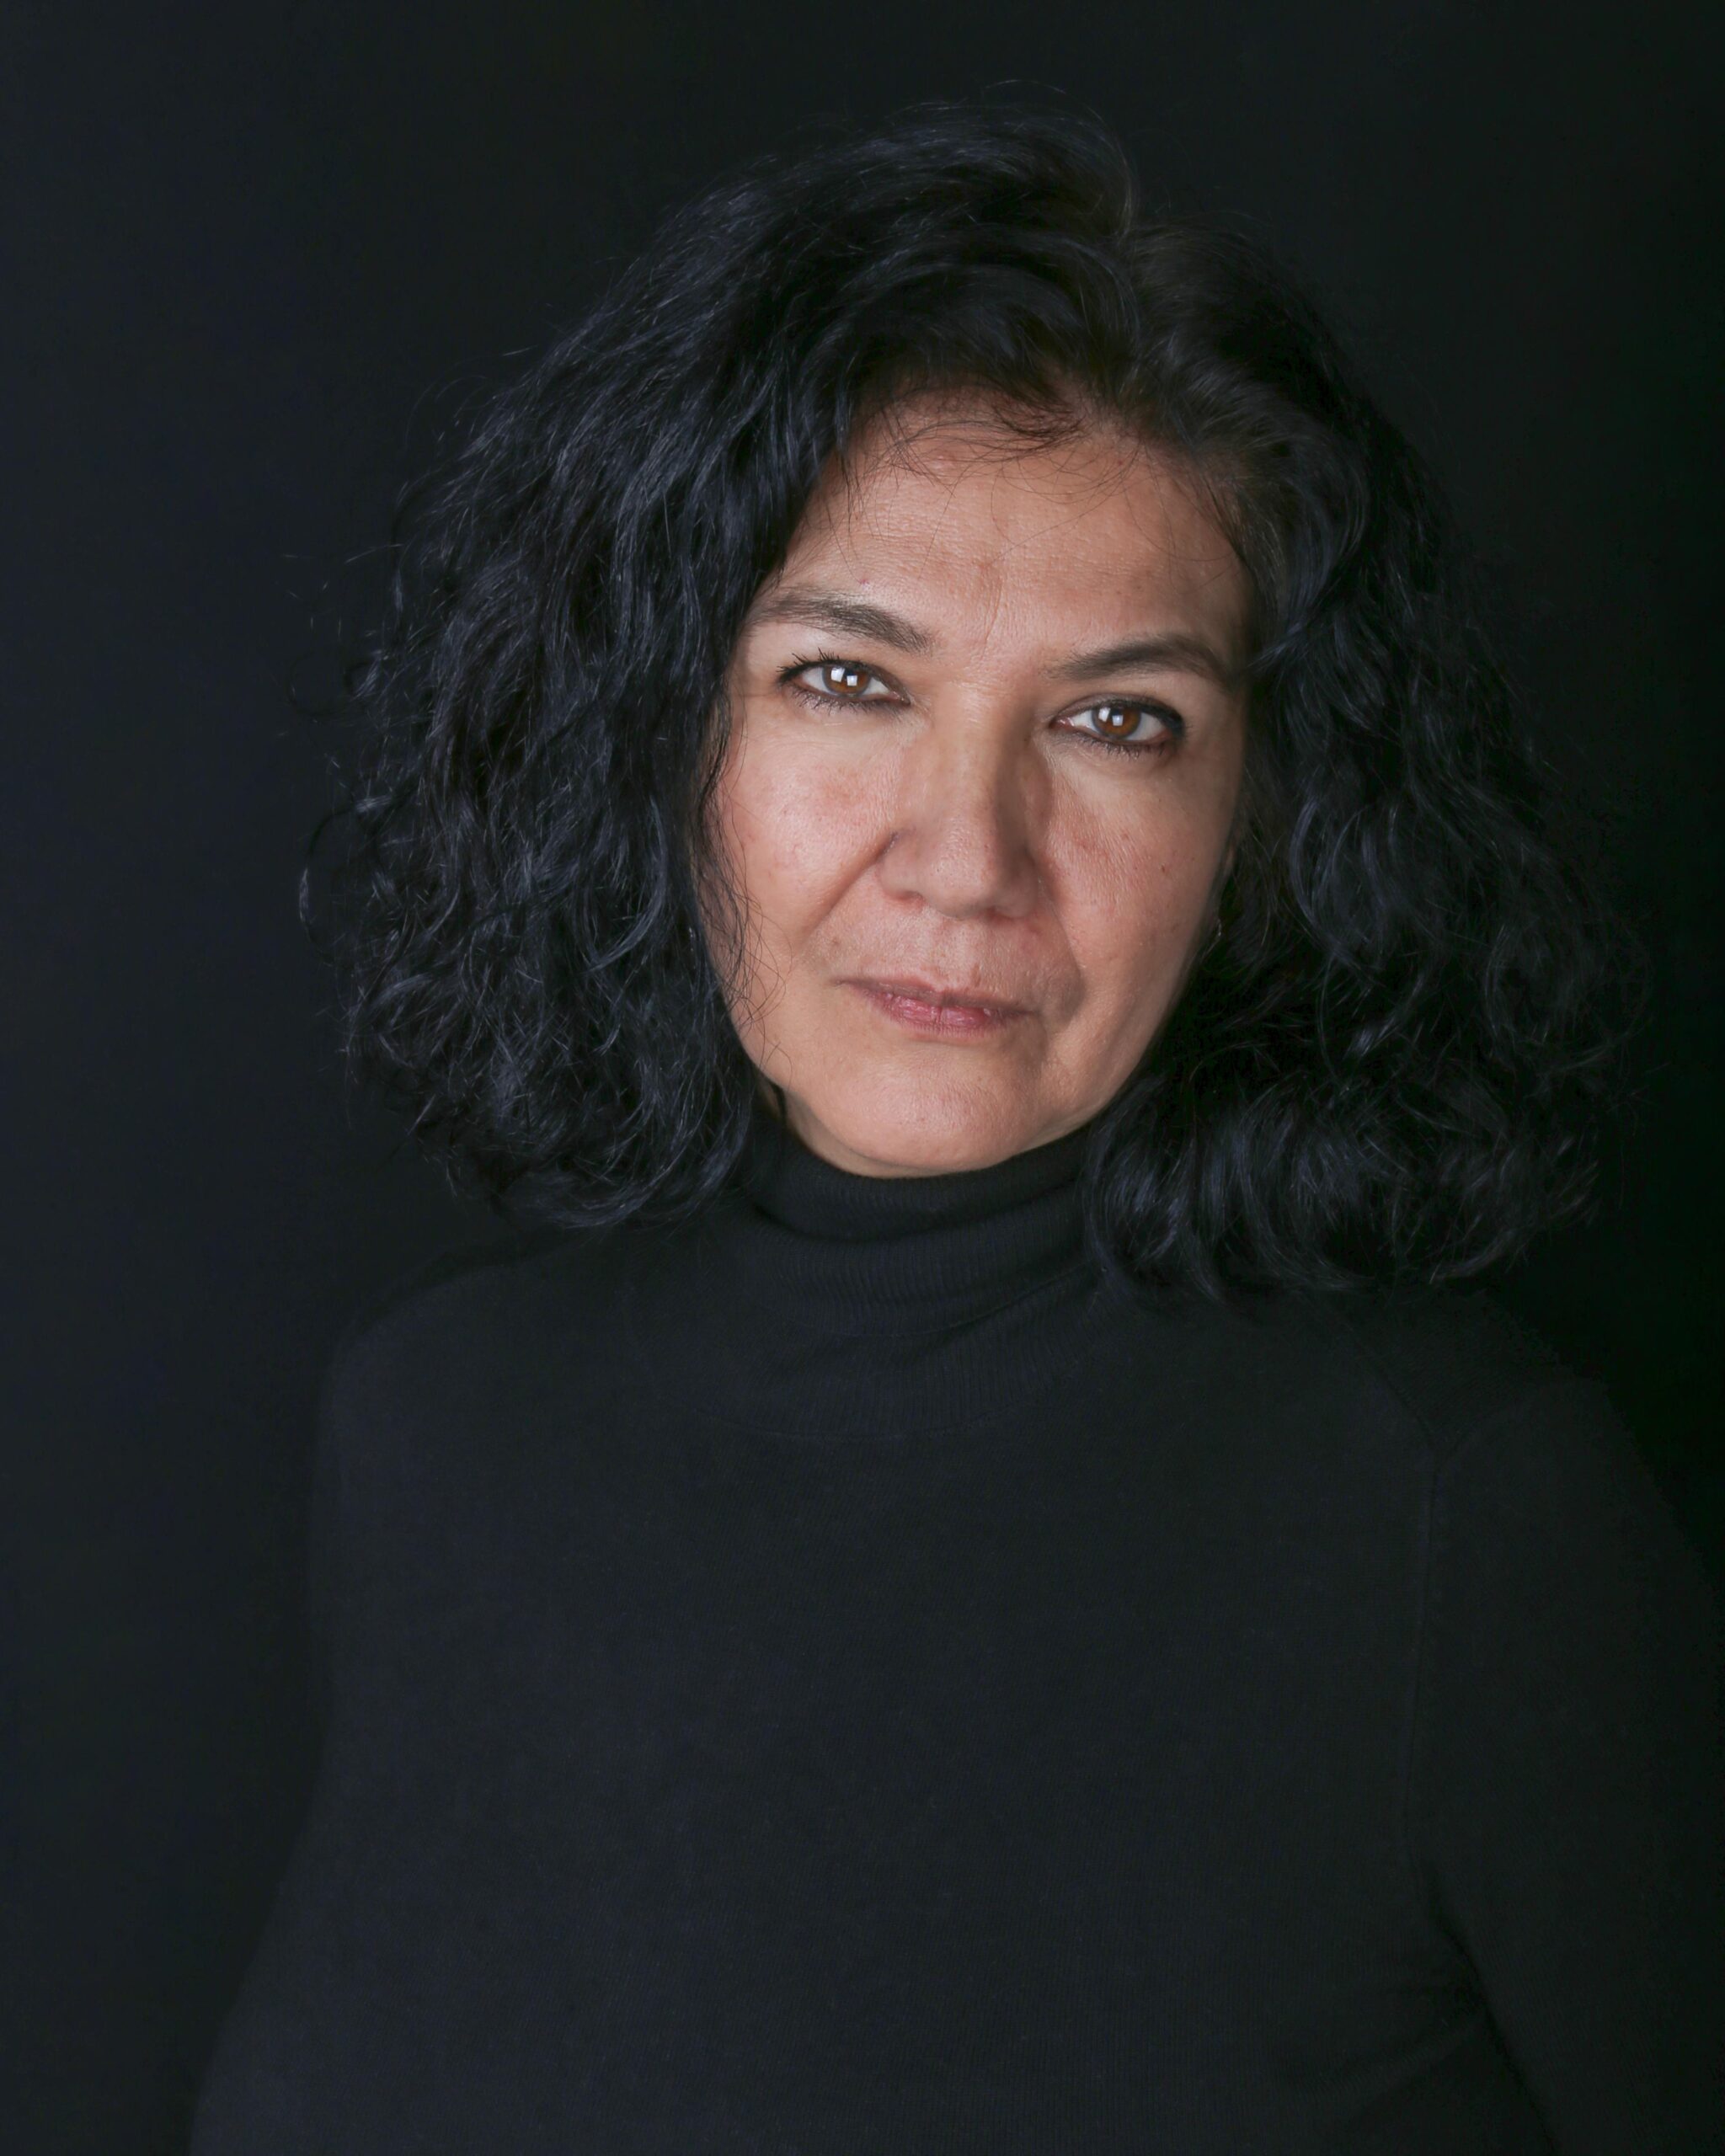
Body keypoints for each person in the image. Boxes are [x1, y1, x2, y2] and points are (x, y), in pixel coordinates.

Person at [190, 103, 1721, 2153]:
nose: (966, 857)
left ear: (1263, 828)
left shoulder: (1465, 1521)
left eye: (1117, 721)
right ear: (661, 729)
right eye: (847, 679)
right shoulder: (427, 1426)